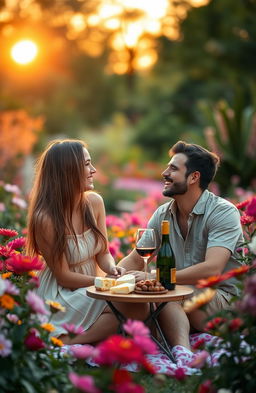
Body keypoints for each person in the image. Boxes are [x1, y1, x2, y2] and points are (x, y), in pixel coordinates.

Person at [118, 140, 244, 361]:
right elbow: (138, 258)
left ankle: (183, 354)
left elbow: (211, 268)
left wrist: (156, 277)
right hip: (180, 297)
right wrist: (112, 278)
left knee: (164, 291)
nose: (164, 173)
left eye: (173, 169)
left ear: (194, 177)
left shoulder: (224, 212)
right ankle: (171, 343)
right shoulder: (163, 213)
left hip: (222, 303)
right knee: (134, 299)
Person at [26, 139, 148, 345]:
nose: (94, 170)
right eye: (86, 164)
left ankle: (74, 339)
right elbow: (64, 277)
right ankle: (68, 343)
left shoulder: (94, 203)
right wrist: (106, 284)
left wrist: (111, 269)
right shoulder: (45, 218)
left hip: (90, 286)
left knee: (139, 305)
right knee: (133, 305)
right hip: (61, 294)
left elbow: (103, 252)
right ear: (68, 170)